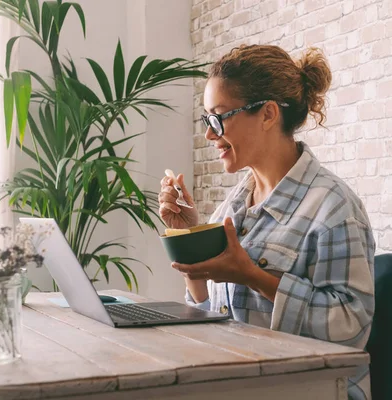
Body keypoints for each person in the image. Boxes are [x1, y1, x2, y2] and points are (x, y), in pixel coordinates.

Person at [159, 44, 375, 400]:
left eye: (219, 117)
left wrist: (253, 276)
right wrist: (190, 240)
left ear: (268, 114)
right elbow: (210, 316)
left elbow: (349, 328)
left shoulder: (334, 208)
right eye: (206, 120)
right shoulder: (232, 207)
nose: (210, 134)